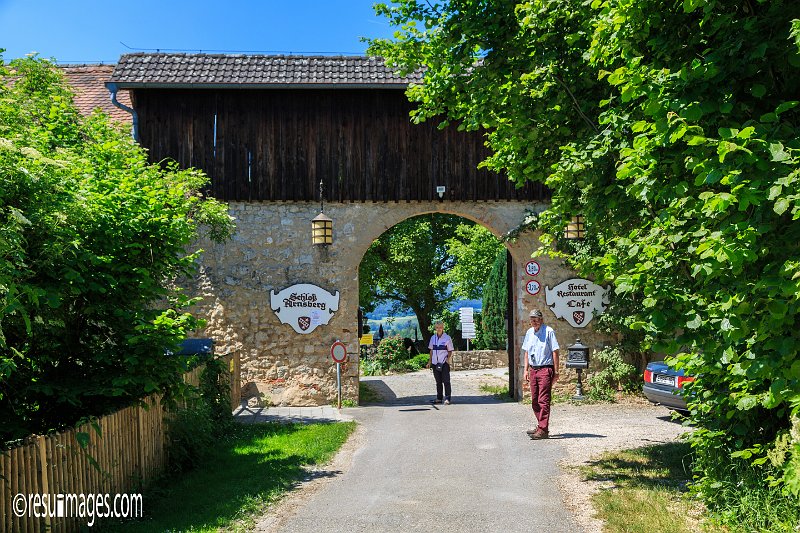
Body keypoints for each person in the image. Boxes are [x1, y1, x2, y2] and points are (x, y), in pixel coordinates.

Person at [522, 309, 560, 439]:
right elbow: (526, 352)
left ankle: (543, 429)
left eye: (536, 319)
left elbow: (555, 351)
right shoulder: (529, 333)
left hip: (545, 369)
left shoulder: (549, 331)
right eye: (532, 319)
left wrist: (556, 371)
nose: (534, 322)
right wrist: (525, 370)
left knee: (543, 400)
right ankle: (540, 425)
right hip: (533, 369)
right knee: (534, 400)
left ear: (541, 320)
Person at [427, 321, 454, 405]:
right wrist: (430, 361)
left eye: (440, 327)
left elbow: (450, 351)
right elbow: (431, 350)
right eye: (437, 327)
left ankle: (447, 398)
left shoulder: (447, 338)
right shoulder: (433, 338)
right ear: (435, 328)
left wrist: (447, 360)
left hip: (444, 363)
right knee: (438, 382)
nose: (439, 329)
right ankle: (439, 398)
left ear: (443, 328)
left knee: (446, 381)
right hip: (435, 363)